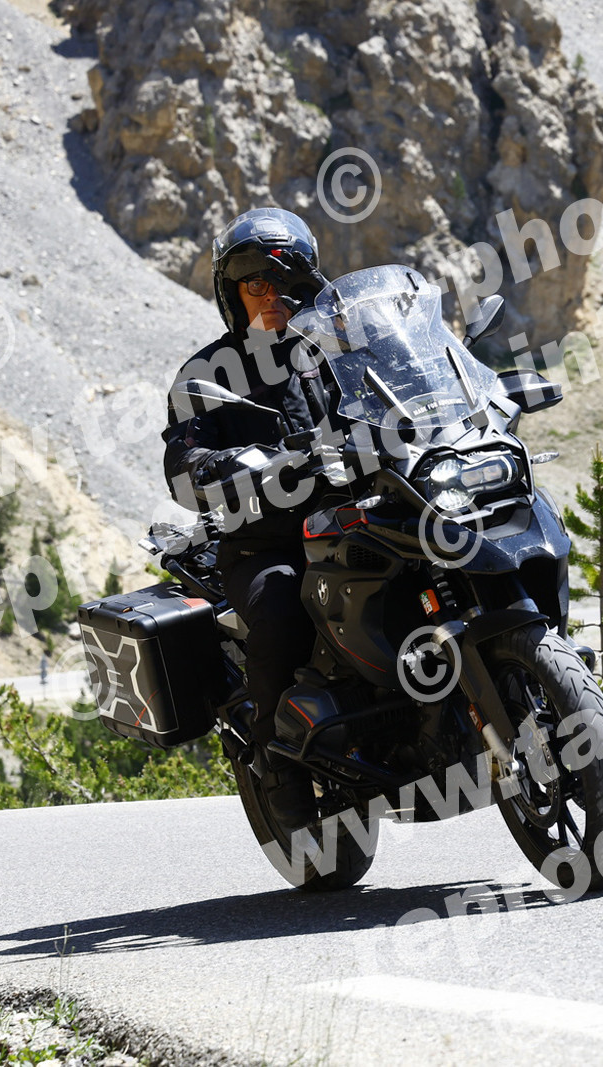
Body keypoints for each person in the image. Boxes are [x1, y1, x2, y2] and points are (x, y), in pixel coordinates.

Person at [160, 207, 336, 830]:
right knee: (283, 607)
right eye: (255, 283)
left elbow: (401, 387)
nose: (271, 296)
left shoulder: (333, 350)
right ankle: (278, 761)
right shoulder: (206, 375)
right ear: (231, 293)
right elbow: (181, 460)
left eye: (285, 281)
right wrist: (223, 464)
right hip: (265, 544)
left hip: (353, 520)